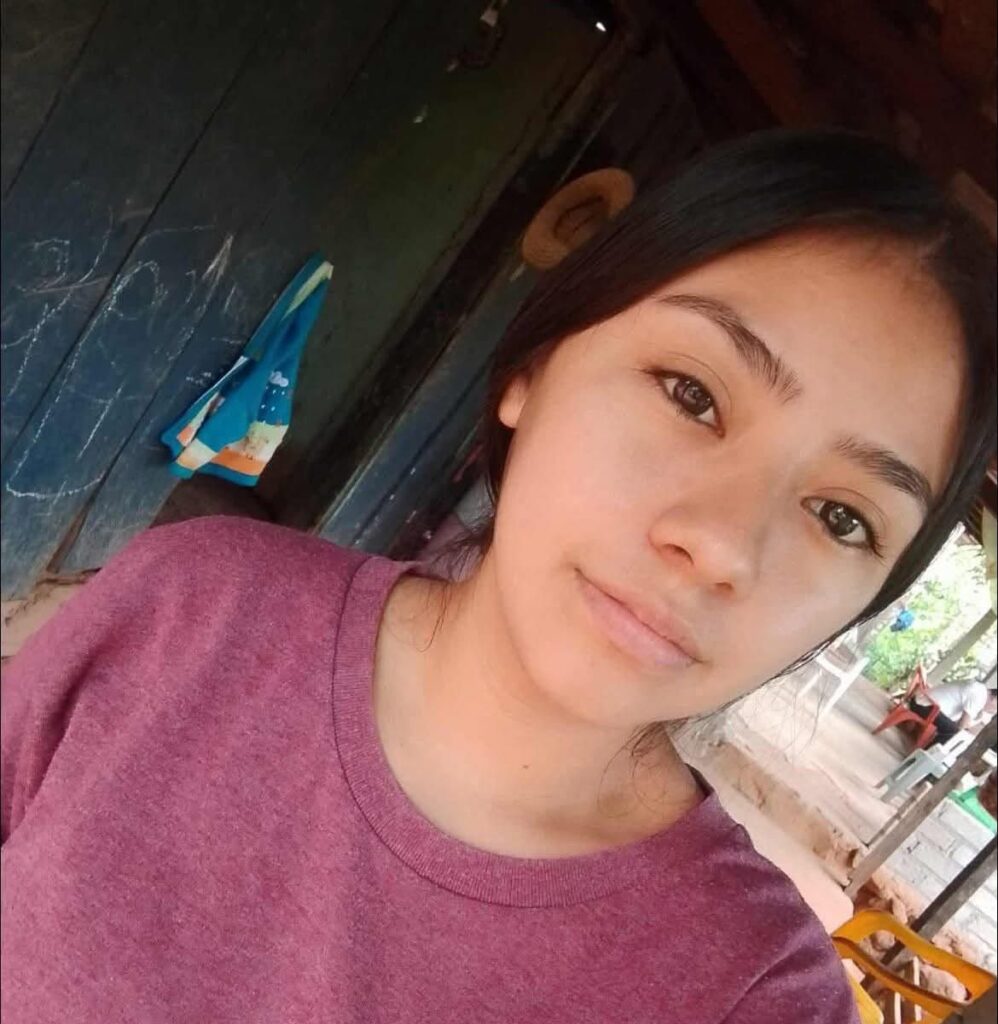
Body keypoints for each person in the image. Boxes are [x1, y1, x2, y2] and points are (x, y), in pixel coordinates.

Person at [2, 129, 996, 1024]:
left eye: (840, 517)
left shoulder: (751, 995)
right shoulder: (198, 604)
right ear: (533, 367)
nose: (725, 546)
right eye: (692, 394)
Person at [909, 676, 998, 743]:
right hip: (925, 707)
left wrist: (979, 718)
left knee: (953, 730)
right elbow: (962, 725)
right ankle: (924, 755)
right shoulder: (980, 696)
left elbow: (963, 723)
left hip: (924, 702)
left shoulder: (980, 689)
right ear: (994, 699)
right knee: (954, 734)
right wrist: (979, 720)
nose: (994, 711)